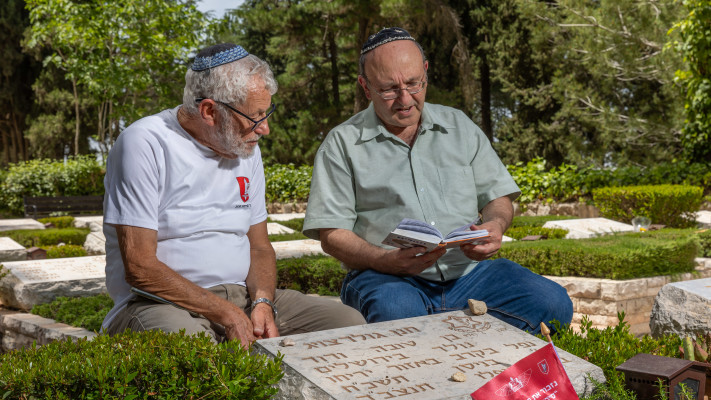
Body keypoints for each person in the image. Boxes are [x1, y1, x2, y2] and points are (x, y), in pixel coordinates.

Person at [303, 28, 572, 334]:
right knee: (398, 313)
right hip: (387, 278)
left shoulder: (459, 125)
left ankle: (458, 354)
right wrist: (384, 260)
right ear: (366, 87)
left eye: (414, 84)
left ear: (426, 72)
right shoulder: (341, 143)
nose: (405, 99)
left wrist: (496, 225)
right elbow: (332, 234)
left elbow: (498, 197)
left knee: (553, 303)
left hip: (472, 274)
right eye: (389, 89)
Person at [101, 43, 365, 347]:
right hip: (160, 304)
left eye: (266, 112)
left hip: (242, 298)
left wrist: (264, 303)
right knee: (198, 355)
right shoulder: (144, 143)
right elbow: (140, 267)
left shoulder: (246, 148)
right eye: (254, 117)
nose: (264, 128)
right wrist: (225, 313)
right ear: (210, 111)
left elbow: (260, 247)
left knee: (349, 325)